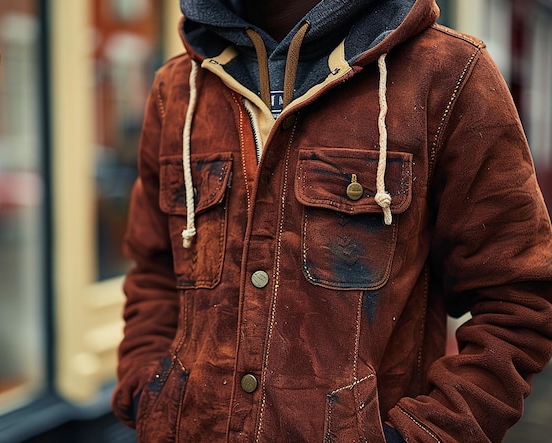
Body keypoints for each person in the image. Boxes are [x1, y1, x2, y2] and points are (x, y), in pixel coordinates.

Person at [111, 0, 552, 441]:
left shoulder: (448, 76)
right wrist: (148, 393)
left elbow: (519, 301)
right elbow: (154, 273)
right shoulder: (177, 90)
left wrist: (422, 435)